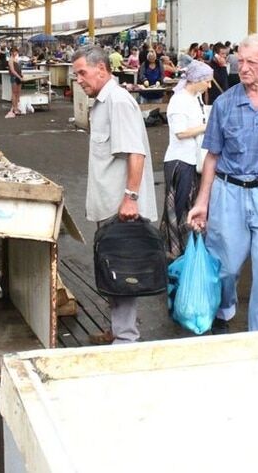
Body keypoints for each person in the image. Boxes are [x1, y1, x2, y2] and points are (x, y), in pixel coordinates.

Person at [187, 34, 258, 333]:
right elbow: (212, 156)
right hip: (229, 192)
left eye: (252, 62)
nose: (244, 67)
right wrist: (202, 202)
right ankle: (224, 309)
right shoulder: (225, 103)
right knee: (226, 267)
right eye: (241, 60)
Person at [71, 45, 157, 344]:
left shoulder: (118, 102)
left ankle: (125, 338)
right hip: (110, 202)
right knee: (111, 267)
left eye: (82, 72)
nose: (79, 79)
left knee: (123, 266)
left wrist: (130, 198)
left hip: (121, 205)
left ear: (102, 69)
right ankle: (118, 328)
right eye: (76, 74)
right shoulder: (102, 101)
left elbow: (136, 154)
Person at [162, 61, 213, 260]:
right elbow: (180, 132)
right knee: (181, 207)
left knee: (189, 206)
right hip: (179, 162)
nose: (209, 86)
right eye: (207, 81)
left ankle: (187, 251)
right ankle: (179, 252)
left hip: (192, 161)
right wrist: (206, 126)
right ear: (197, 80)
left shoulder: (195, 98)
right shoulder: (179, 100)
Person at [6, 46, 23, 118]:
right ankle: (14, 108)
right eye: (12, 52)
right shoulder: (10, 60)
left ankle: (16, 107)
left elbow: (19, 69)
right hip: (14, 77)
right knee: (14, 93)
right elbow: (12, 70)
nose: (14, 53)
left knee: (18, 93)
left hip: (19, 77)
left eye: (15, 51)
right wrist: (19, 76)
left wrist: (21, 75)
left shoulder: (17, 59)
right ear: (10, 52)